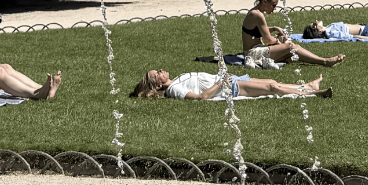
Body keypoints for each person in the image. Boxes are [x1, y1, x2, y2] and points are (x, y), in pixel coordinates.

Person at [242, 0, 343, 67]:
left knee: (290, 47)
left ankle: (322, 61)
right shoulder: (258, 15)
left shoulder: (255, 12)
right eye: (273, 5)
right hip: (253, 54)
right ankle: (324, 61)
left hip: (257, 50)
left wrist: (275, 29)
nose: (275, 9)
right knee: (291, 47)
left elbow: (256, 30)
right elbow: (269, 40)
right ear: (265, 1)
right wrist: (283, 42)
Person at [130, 66, 333, 100]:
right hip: (230, 86)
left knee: (272, 81)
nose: (160, 70)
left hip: (230, 80)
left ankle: (308, 86)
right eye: (157, 73)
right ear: (157, 86)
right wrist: (221, 83)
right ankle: (314, 94)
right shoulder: (174, 89)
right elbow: (202, 97)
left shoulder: (176, 79)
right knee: (272, 88)